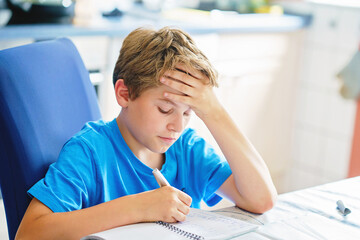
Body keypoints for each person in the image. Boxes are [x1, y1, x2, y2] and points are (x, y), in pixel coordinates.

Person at [16, 27, 277, 240]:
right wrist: (139, 207)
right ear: (125, 94)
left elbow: (261, 200)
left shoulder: (186, 148)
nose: (178, 126)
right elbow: (30, 233)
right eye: (165, 109)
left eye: (188, 113)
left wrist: (214, 111)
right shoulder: (89, 152)